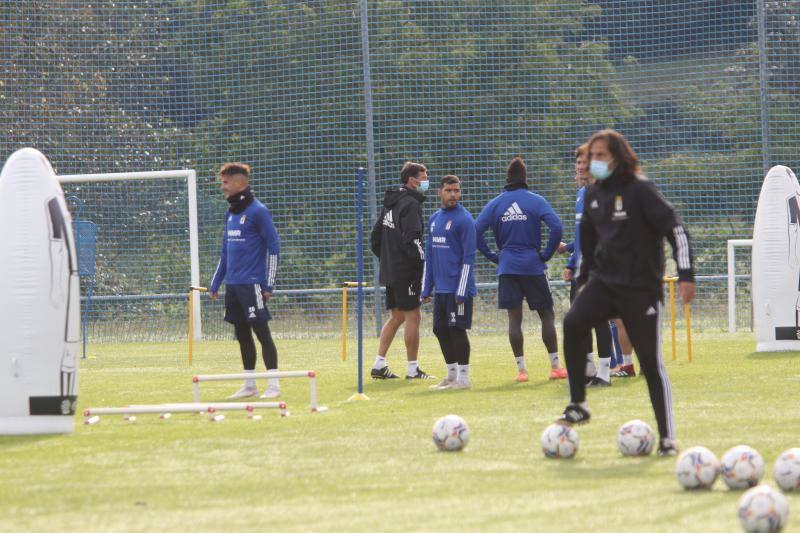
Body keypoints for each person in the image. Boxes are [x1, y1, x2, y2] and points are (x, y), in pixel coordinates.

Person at [556, 129, 695, 456]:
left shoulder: (640, 190)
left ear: (618, 157)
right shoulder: (592, 196)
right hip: (605, 284)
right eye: (592, 156)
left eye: (601, 155)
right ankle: (578, 404)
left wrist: (686, 274)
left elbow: (676, 228)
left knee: (651, 363)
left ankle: (667, 438)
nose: (594, 161)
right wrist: (581, 285)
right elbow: (587, 252)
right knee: (573, 322)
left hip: (641, 290)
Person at [476, 157, 565, 382]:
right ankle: (555, 367)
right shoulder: (535, 201)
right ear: (525, 178)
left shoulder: (496, 203)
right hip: (533, 266)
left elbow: (476, 231)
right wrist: (545, 254)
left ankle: (522, 371)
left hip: (507, 267)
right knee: (546, 314)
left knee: (514, 319)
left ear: (507, 179)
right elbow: (556, 226)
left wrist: (495, 257)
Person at [209, 163, 282, 399]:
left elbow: (274, 247)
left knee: (262, 332)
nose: (222, 187)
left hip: (252, 284)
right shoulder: (231, 213)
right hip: (233, 286)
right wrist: (216, 282)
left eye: (226, 182)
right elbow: (225, 253)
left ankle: (273, 384)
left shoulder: (258, 211)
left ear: (240, 183)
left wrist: (268, 284)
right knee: (241, 334)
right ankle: (250, 385)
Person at [369, 161, 435, 380]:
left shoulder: (390, 202)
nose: (426, 181)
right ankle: (413, 369)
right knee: (413, 316)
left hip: (390, 270)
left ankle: (379, 365)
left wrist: (388, 259)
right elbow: (413, 240)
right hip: (406, 270)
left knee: (396, 316)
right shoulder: (411, 205)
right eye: (424, 177)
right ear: (412, 180)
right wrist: (423, 265)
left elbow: (375, 238)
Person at [559, 144, 615, 387]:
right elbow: (582, 235)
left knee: (599, 319)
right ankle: (589, 368)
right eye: (578, 163)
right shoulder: (582, 194)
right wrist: (572, 263)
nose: (581, 167)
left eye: (585, 163)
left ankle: (605, 373)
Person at [421, 175, 476, 390]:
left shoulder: (465, 220)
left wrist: (461, 289)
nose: (453, 195)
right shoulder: (435, 219)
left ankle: (464, 379)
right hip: (441, 290)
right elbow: (430, 255)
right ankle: (452, 376)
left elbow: (468, 258)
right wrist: (427, 287)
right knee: (439, 329)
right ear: (440, 192)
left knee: (457, 330)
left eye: (456, 191)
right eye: (449, 191)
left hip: (458, 289)